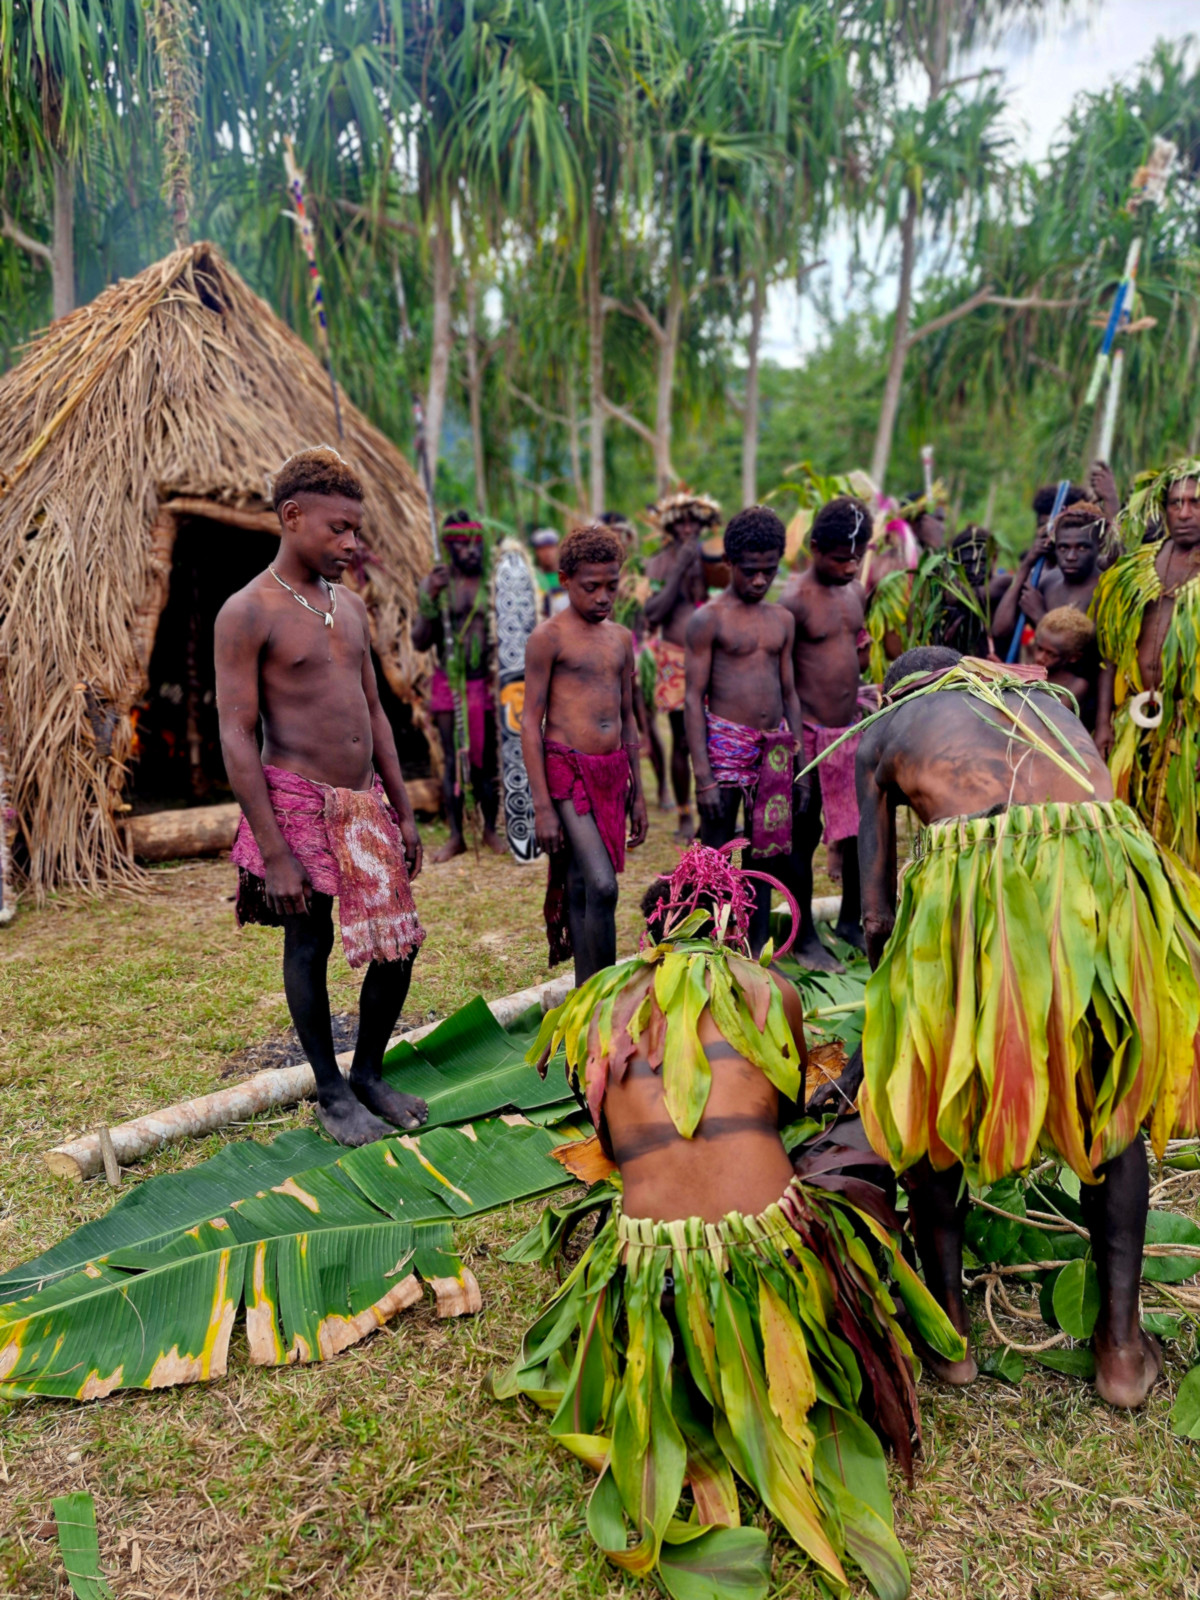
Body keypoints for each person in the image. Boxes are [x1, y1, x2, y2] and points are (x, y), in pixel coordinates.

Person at [496, 844, 963, 1600]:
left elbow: (612, 1148)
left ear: (652, 939)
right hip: (773, 1250)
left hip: (653, 1273)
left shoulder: (597, 1010)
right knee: (867, 1131)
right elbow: (783, 1110)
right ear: (732, 931)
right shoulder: (768, 990)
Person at [847, 645, 1200, 1408]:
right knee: (1108, 1106)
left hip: (991, 873)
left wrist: (899, 1015)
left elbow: (874, 916)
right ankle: (1120, 1349)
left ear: (893, 694)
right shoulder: (1046, 705)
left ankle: (949, 1335)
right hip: (1105, 868)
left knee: (930, 1095)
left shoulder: (881, 731)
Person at [215, 447, 428, 1148]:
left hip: (364, 804)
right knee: (310, 942)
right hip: (295, 799)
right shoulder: (247, 612)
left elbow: (376, 716)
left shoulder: (353, 608)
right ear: (292, 516)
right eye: (338, 529)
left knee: (397, 945)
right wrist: (273, 852)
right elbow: (238, 734)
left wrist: (402, 808)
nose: (351, 544)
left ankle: (368, 1071)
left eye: (356, 531)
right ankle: (330, 1092)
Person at [522, 523, 648, 985]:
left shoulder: (620, 639)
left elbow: (628, 716)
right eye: (591, 587)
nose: (603, 597)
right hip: (567, 773)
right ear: (565, 580)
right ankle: (608, 992)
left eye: (611, 586)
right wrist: (541, 806)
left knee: (580, 884)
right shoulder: (549, 638)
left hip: (611, 773)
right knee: (602, 884)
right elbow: (529, 723)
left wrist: (636, 791)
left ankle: (585, 993)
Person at [684, 505, 802, 954]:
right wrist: (704, 776)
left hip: (772, 752)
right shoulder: (708, 619)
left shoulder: (782, 620)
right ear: (729, 564)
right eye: (750, 571)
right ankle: (701, 946)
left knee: (766, 852)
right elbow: (693, 699)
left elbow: (789, 693)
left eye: (769, 571)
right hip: (724, 749)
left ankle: (756, 951)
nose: (759, 581)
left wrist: (800, 760)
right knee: (714, 849)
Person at [1093, 455, 1200, 869]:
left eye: (1195, 502)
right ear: (1163, 506)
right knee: (1125, 827)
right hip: (1130, 721)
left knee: (1181, 835)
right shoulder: (1137, 568)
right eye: (1176, 502)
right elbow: (1110, 654)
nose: (1185, 512)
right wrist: (1103, 723)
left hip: (1189, 726)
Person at [782, 495, 873, 970]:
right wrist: (795, 745)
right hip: (808, 735)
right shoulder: (793, 600)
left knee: (859, 828)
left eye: (858, 557)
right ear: (816, 548)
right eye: (841, 558)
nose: (851, 566)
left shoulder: (855, 593)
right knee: (804, 831)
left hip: (849, 729)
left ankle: (852, 920)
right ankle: (804, 938)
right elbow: (782, 677)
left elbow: (856, 655)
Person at [411, 510, 505, 861]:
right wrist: (428, 600)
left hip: (486, 683)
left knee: (486, 762)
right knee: (452, 760)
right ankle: (456, 836)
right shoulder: (436, 585)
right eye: (463, 545)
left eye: (476, 544)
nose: (471, 552)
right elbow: (420, 641)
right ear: (449, 547)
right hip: (448, 683)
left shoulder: (491, 585)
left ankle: (490, 830)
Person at [644, 491, 723, 840]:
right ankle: (684, 815)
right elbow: (653, 612)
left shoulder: (713, 558)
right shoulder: (659, 563)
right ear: (671, 527)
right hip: (674, 654)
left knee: (712, 736)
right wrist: (678, 568)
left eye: (694, 521)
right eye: (681, 522)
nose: (688, 527)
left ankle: (713, 809)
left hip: (711, 654)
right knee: (680, 739)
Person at [602, 508, 669, 810]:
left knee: (648, 724)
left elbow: (652, 616)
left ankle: (663, 788)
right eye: (610, 536)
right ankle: (620, 789)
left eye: (620, 536)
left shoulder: (642, 575)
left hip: (639, 657)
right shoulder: (601, 576)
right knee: (614, 726)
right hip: (608, 659)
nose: (617, 541)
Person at [992, 500, 1107, 648]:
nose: (1071, 556)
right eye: (1063, 548)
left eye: (1082, 548)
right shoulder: (1048, 581)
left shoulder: (1105, 589)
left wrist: (1040, 616)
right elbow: (1000, 630)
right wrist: (1026, 565)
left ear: (1100, 547)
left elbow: (1088, 653)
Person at [1034, 606, 1099, 729]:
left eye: (1051, 654)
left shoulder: (1077, 685)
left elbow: (1049, 719)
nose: (1040, 657)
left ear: (1073, 657)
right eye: (1039, 648)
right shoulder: (1031, 668)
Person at [531, 526, 569, 617]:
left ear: (557, 548)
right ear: (536, 552)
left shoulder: (567, 575)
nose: (547, 553)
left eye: (550, 548)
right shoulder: (533, 578)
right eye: (542, 549)